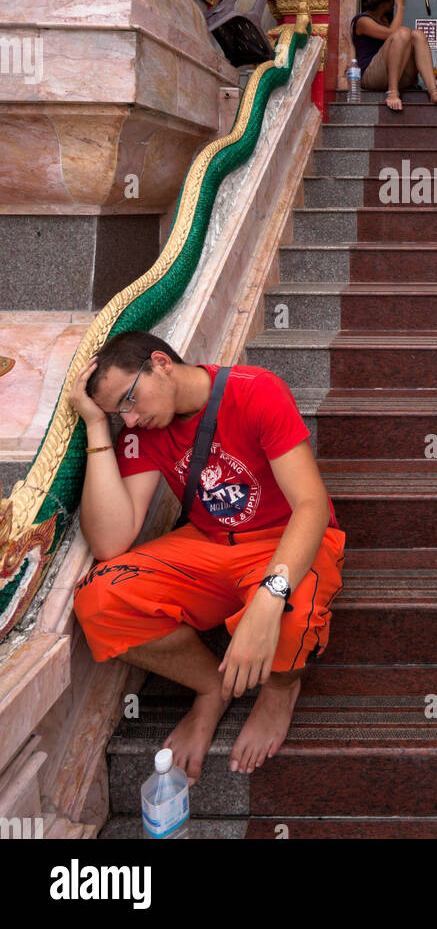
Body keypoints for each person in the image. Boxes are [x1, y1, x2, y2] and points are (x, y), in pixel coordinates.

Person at [69, 331, 345, 785]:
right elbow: (109, 543)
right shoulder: (143, 430)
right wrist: (98, 428)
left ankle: (279, 692)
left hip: (286, 538)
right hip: (208, 544)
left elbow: (311, 506)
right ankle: (210, 687)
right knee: (101, 599)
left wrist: (269, 597)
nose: (131, 418)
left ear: (161, 362)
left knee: (291, 613)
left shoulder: (254, 389)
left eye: (130, 400)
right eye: (120, 412)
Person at [350, 0, 437, 112]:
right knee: (403, 33)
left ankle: (433, 91)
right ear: (384, 0)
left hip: (395, 74)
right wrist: (401, 6)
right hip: (371, 77)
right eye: (392, 0)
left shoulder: (384, 20)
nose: (393, 4)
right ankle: (392, 93)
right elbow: (392, 33)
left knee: (418, 35)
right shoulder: (362, 21)